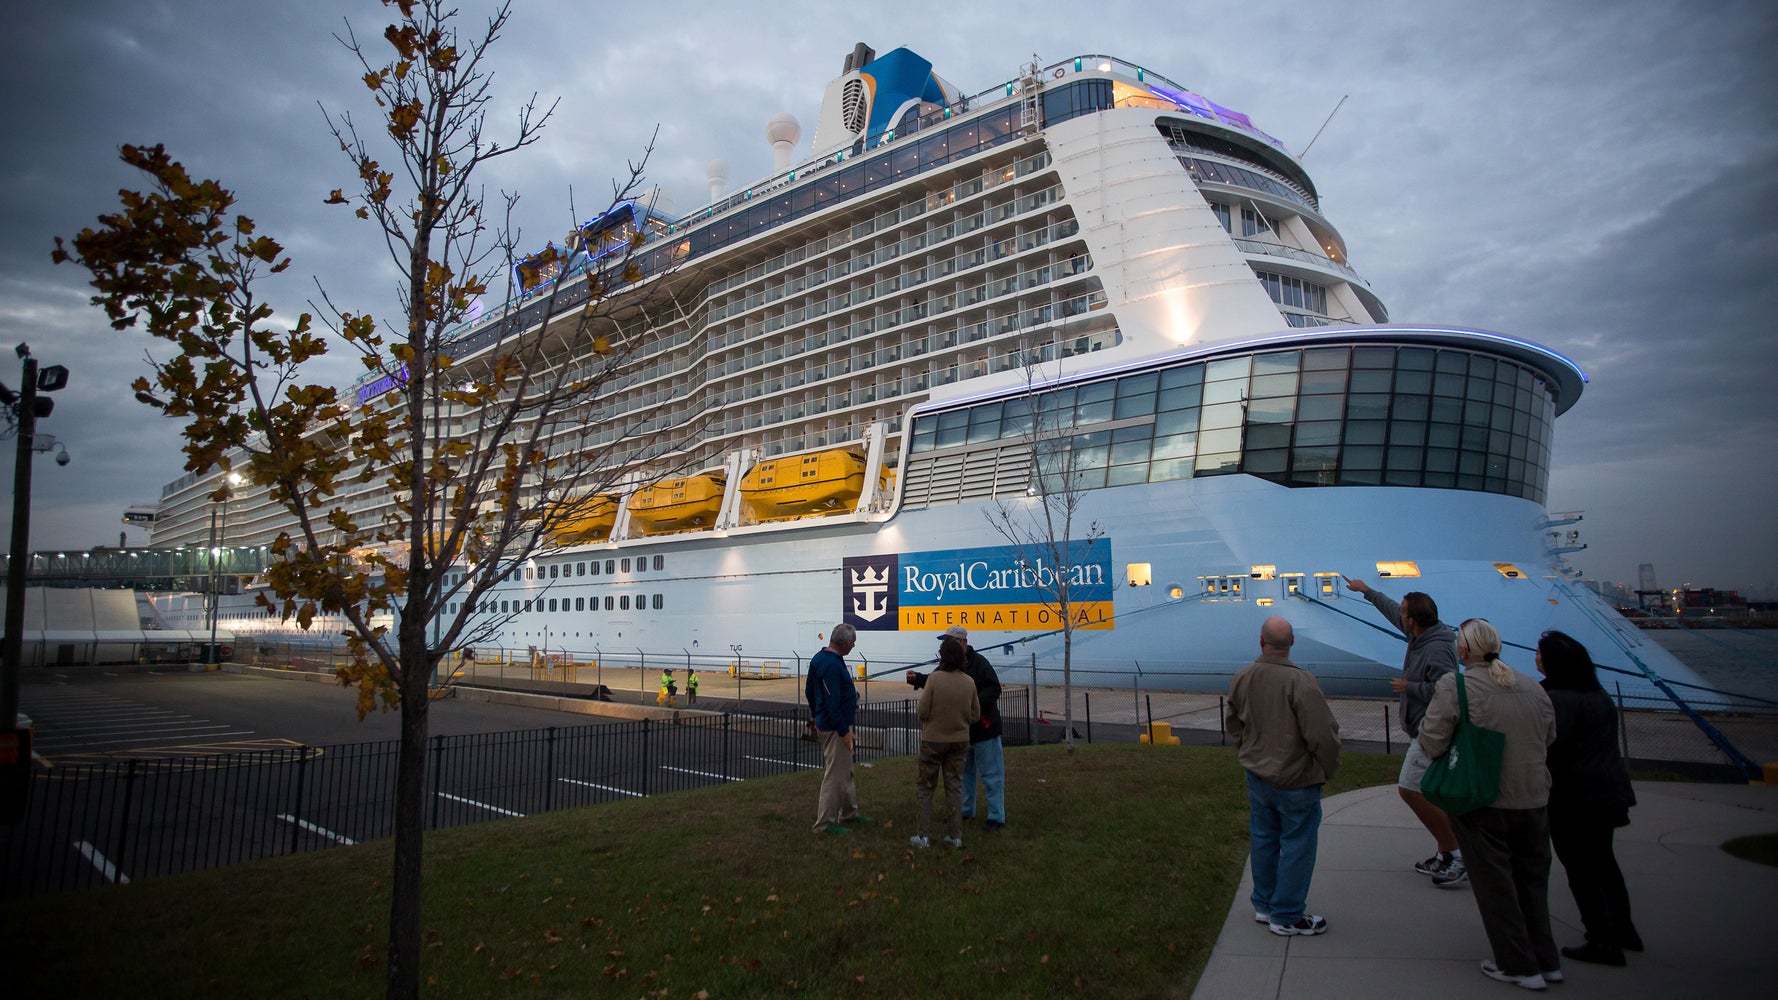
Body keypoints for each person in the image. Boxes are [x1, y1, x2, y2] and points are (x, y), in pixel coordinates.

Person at [1419, 619, 1560, 991]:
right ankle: (1547, 961)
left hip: (1483, 798)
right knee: (1533, 881)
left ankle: (1517, 965)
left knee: (1496, 884)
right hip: (1533, 798)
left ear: (1462, 651)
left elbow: (1431, 738)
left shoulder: (1458, 685)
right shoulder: (1531, 686)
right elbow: (1549, 736)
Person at [1225, 616, 1342, 936]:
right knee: (1297, 844)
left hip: (1257, 775)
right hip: (1297, 778)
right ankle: (1287, 914)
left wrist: (1249, 750)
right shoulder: (1302, 682)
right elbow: (1322, 733)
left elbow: (1233, 723)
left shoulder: (1243, 677)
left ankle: (1264, 904)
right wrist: (1328, 767)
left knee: (1263, 838)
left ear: (1261, 642)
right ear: (1291, 644)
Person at [1345, 576, 1465, 886]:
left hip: (1431, 731)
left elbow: (1447, 689)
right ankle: (1445, 853)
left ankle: (1457, 852)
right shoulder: (1421, 635)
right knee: (1432, 792)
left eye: (1404, 612)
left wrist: (1409, 687)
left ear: (1413, 620)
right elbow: (1390, 609)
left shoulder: (1437, 649)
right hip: (1423, 728)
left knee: (1409, 789)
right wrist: (1366, 592)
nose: (1400, 614)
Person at [1537, 630, 1641, 966]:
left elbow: (1553, 746)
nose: (1536, 658)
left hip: (1574, 795)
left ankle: (1602, 941)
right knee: (1604, 862)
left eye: (1541, 654)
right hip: (1608, 791)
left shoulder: (1557, 700)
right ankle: (1624, 930)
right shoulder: (1598, 696)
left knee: (1581, 870)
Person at [906, 625, 1006, 829]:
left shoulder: (980, 663)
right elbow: (935, 682)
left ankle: (996, 816)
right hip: (963, 732)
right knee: (964, 774)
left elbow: (994, 687)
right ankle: (966, 811)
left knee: (991, 774)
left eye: (949, 641)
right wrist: (918, 678)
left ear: (962, 642)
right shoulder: (947, 666)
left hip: (984, 729)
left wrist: (973, 704)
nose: (945, 645)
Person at [910, 636, 980, 850]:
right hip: (959, 741)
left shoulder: (935, 679)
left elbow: (922, 711)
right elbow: (975, 714)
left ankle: (923, 836)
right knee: (955, 787)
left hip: (933, 741)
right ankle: (955, 836)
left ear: (942, 657)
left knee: (926, 787)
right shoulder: (969, 682)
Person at [806, 624, 863, 833]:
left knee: (845, 771)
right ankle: (824, 823)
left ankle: (849, 813)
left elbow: (810, 691)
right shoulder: (831, 665)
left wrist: (814, 714)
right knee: (834, 775)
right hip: (834, 727)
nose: (854, 646)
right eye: (853, 642)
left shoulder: (820, 659)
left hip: (830, 723)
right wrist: (843, 731)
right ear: (845, 643)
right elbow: (832, 702)